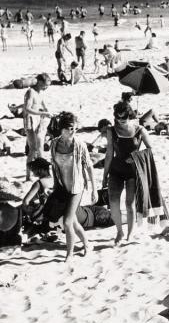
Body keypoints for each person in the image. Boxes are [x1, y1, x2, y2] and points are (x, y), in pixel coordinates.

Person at [102, 102, 152, 244]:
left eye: (123, 118)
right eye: (118, 118)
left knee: (130, 204)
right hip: (116, 169)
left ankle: (130, 233)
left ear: (130, 115)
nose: (121, 121)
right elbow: (109, 153)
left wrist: (135, 156)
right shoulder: (111, 131)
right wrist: (104, 175)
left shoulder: (139, 130)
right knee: (113, 202)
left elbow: (150, 149)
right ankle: (119, 231)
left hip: (133, 171)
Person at [50, 113, 96, 262]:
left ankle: (69, 254)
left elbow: (89, 166)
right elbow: (54, 166)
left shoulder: (79, 145)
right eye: (70, 128)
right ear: (62, 129)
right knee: (73, 221)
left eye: (76, 128)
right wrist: (55, 185)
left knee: (67, 222)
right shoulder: (54, 144)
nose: (73, 131)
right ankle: (87, 244)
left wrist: (94, 189)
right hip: (62, 187)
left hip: (77, 187)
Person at [22, 73, 51, 180]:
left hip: (37, 120)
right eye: (45, 85)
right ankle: (28, 176)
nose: (46, 87)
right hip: (29, 120)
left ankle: (41, 174)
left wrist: (48, 112)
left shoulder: (40, 93)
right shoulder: (30, 92)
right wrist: (42, 113)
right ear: (39, 82)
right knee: (32, 149)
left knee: (40, 148)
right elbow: (27, 108)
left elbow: (43, 105)